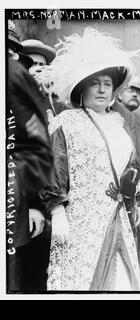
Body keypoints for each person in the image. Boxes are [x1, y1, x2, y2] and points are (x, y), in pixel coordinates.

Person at [39, 27, 140, 290]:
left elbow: (131, 168)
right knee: (81, 280)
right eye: (94, 84)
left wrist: (136, 198)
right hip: (81, 219)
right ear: (82, 89)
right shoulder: (67, 122)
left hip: (119, 215)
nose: (101, 89)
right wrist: (56, 210)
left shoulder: (120, 125)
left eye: (107, 84)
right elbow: (54, 167)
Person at [7, 20, 54, 292]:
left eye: (12, 53)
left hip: (15, 204)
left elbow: (36, 149)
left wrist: (33, 204)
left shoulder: (21, 92)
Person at [21, 39, 69, 120]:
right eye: (33, 64)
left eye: (42, 64)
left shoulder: (57, 105)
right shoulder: (10, 97)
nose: (39, 68)